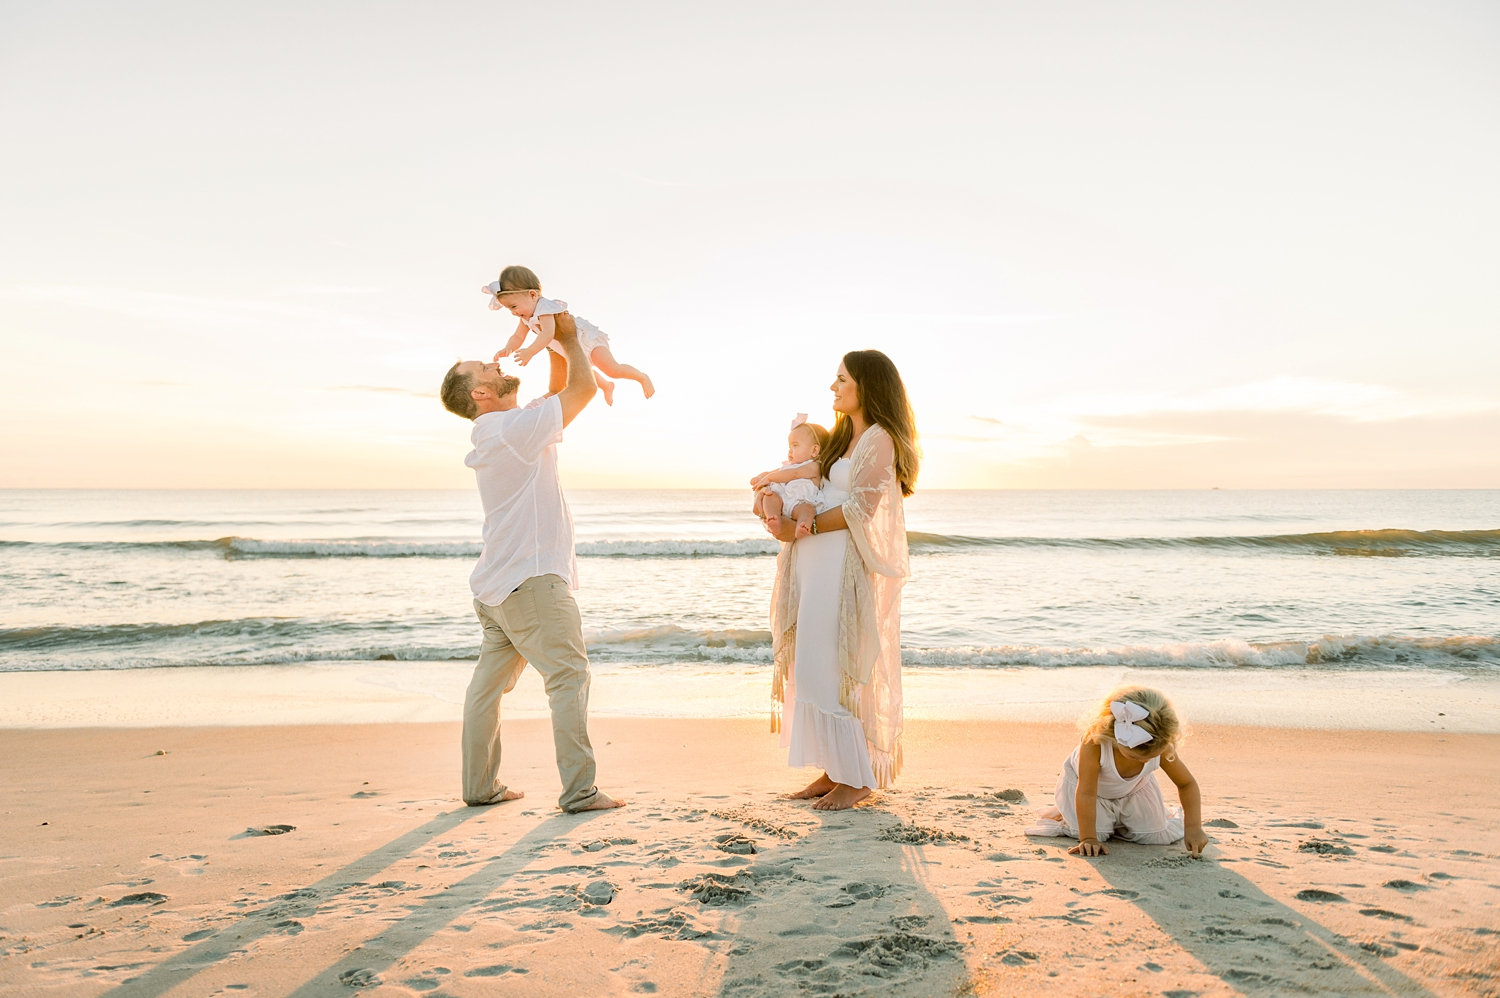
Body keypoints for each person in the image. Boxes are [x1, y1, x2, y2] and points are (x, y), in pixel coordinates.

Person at [438, 310, 625, 813]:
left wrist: (552, 343)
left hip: (497, 588)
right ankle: (580, 791)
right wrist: (565, 334)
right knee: (568, 676)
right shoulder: (509, 430)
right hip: (531, 582)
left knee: (487, 689)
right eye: (487, 370)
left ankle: (480, 786)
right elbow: (581, 394)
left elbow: (561, 388)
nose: (497, 365)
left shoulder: (503, 429)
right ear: (480, 393)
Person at [762, 351, 919, 811]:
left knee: (835, 664)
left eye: (841, 379)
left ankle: (857, 777)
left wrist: (799, 529)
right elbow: (811, 484)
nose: (833, 387)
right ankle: (833, 770)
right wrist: (775, 496)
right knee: (812, 662)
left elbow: (859, 510)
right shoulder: (840, 438)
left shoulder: (880, 438)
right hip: (811, 562)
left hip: (839, 564)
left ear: (866, 385)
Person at [1025, 686, 1207, 857]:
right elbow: (1086, 792)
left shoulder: (1160, 743)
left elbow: (1186, 783)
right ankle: (1075, 818)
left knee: (1154, 835)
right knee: (1098, 833)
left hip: (1134, 789)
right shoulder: (1095, 743)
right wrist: (1088, 838)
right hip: (1091, 793)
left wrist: (1193, 827)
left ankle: (1120, 819)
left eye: (1151, 757)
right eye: (1135, 757)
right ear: (1115, 736)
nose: (1144, 761)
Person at [482, 264, 655, 406]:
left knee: (612, 369)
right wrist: (508, 348)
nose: (513, 312)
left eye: (514, 306)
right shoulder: (525, 316)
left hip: (586, 340)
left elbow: (547, 334)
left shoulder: (544, 308)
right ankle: (607, 386)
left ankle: (641, 377)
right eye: (509, 309)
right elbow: (518, 336)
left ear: (533, 295)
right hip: (567, 348)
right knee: (581, 371)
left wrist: (530, 352)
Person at [751, 415, 832, 539]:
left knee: (807, 510)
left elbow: (795, 474)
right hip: (782, 501)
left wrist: (769, 478)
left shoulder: (814, 466)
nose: (790, 450)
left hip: (800, 503)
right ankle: (773, 517)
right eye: (789, 446)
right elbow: (776, 471)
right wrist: (761, 477)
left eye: (795, 445)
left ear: (814, 450)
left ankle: (803, 525)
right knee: (770, 496)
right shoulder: (788, 466)